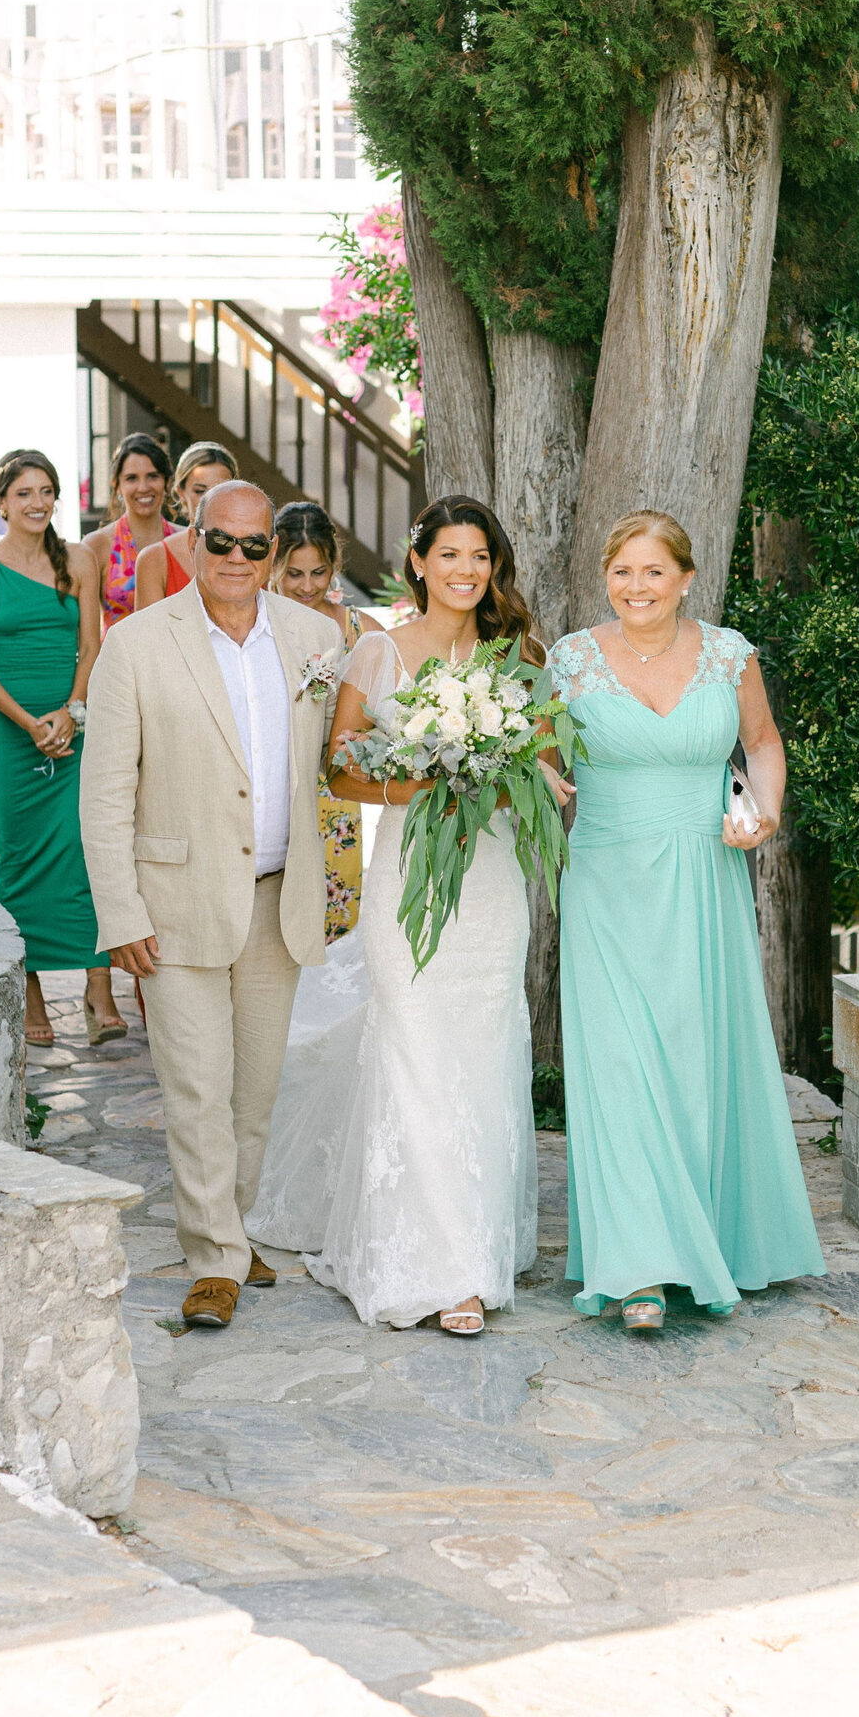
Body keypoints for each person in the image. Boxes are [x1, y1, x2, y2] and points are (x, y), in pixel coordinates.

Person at [550, 511, 825, 1332]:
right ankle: (637, 1268)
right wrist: (547, 779)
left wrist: (765, 812)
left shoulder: (728, 653)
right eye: (623, 572)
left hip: (704, 879)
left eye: (653, 572)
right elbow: (531, 749)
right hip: (606, 880)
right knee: (619, 1068)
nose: (637, 588)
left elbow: (763, 741)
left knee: (696, 1060)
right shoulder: (568, 659)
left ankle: (711, 1239)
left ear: (685, 578)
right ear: (607, 576)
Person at [79, 480, 344, 1331]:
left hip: (279, 900)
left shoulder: (314, 637)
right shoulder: (136, 644)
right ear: (191, 543)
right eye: (219, 542)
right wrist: (120, 912)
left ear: (275, 550)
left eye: (253, 545)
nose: (236, 559)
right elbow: (105, 792)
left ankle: (230, 1226)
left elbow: (342, 759)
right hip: (176, 901)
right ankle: (214, 1260)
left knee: (254, 1094)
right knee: (196, 1090)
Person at [301, 497, 541, 1337]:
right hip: (408, 877)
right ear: (417, 563)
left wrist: (507, 770)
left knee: (481, 1053)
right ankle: (438, 1267)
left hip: (489, 884)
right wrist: (429, 783)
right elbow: (340, 770)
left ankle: (477, 1243)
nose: (466, 571)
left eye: (479, 557)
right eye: (450, 555)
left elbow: (542, 761)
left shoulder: (516, 656)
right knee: (415, 1053)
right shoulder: (378, 651)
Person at [0, 451, 123, 1051]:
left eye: (46, 491)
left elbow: (91, 646)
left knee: (85, 851)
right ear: (1, 502)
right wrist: (30, 722)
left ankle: (97, 987)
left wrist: (71, 712)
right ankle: (30, 993)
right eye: (23, 493)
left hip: (74, 729)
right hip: (7, 738)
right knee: (17, 859)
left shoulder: (79, 560)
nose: (36, 503)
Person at [270, 501, 363, 941]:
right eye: (294, 573)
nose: (308, 586)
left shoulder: (360, 630)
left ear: (335, 566)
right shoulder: (255, 625)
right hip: (272, 785)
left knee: (335, 920)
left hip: (335, 794)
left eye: (318, 572)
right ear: (272, 562)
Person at [84, 431, 177, 630]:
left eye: (153, 476)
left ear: (167, 482)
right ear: (117, 486)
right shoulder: (97, 546)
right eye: (131, 478)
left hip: (176, 660)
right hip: (117, 659)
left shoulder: (185, 541)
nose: (143, 487)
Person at [133, 441, 239, 611]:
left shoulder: (253, 551)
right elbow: (148, 635)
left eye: (220, 490)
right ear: (181, 492)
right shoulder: (154, 559)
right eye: (199, 491)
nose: (209, 500)